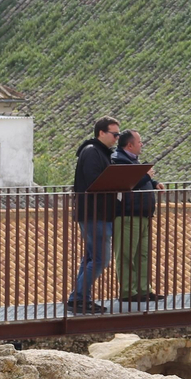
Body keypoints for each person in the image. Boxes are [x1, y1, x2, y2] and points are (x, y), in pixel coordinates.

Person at [67, 115, 120, 313]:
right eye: (114, 134)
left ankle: (80, 298)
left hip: (98, 213)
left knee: (92, 257)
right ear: (101, 133)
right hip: (94, 213)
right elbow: (93, 182)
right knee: (100, 259)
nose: (117, 138)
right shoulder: (92, 152)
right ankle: (78, 298)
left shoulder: (100, 152)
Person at [112, 129, 163, 304]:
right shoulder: (117, 161)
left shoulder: (132, 161)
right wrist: (145, 177)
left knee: (142, 254)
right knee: (126, 254)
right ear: (130, 145)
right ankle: (127, 291)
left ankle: (143, 289)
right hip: (127, 214)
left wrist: (153, 183)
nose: (141, 145)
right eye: (139, 142)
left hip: (143, 214)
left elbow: (137, 180)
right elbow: (126, 183)